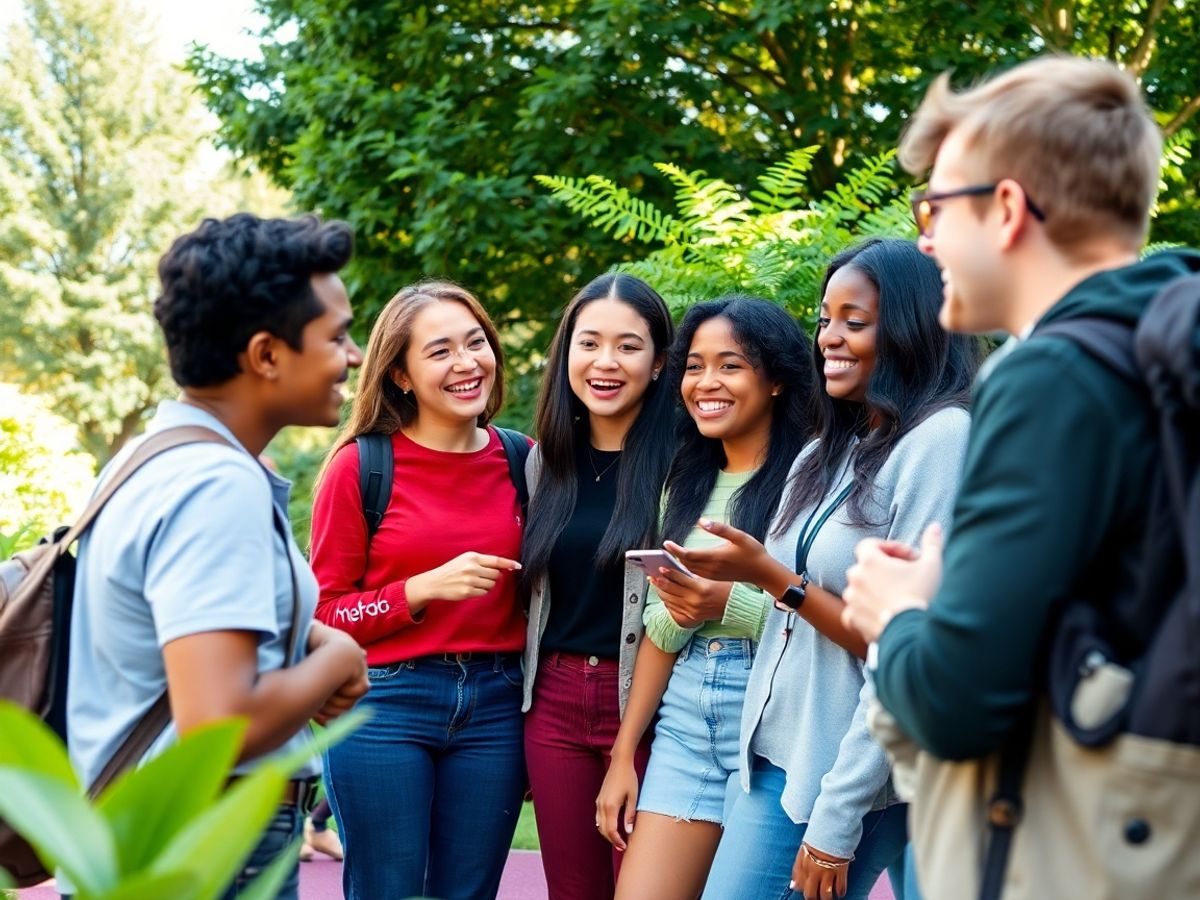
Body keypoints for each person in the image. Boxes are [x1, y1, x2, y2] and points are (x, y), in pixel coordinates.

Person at [839, 57, 1200, 899]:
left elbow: (956, 705)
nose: (924, 240)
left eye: (934, 205)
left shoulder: (1050, 375)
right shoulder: (1157, 352)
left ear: (1005, 208)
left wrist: (901, 615)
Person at [65, 213, 370, 900]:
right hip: (207, 842)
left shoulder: (155, 456)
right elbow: (221, 723)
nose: (353, 356)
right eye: (337, 336)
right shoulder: (217, 485)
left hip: (149, 834)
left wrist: (306, 634)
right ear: (266, 355)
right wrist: (337, 662)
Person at [671, 238, 979, 900]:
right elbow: (799, 610)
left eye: (854, 322)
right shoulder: (823, 455)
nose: (830, 339)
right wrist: (729, 581)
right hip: (778, 762)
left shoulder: (941, 443)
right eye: (824, 320)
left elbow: (902, 650)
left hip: (846, 779)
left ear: (909, 329)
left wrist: (835, 820)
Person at [310, 281, 529, 900]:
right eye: (439, 352)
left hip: (496, 705)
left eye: (476, 343)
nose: (466, 364)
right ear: (401, 375)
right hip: (385, 704)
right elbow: (325, 614)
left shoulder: (525, 461)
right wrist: (419, 591)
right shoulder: (360, 467)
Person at [598, 296, 814, 900]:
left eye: (731, 365)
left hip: (772, 716)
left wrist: (726, 603)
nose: (706, 383)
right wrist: (623, 756)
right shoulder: (688, 483)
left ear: (775, 379)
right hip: (687, 716)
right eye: (694, 366)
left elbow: (829, 617)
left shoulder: (814, 479)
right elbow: (662, 633)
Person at [521, 273, 676, 900]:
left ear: (660, 361)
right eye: (588, 344)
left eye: (628, 346)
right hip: (553, 703)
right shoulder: (542, 463)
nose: (605, 363)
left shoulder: (686, 464)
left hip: (653, 707)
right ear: (566, 356)